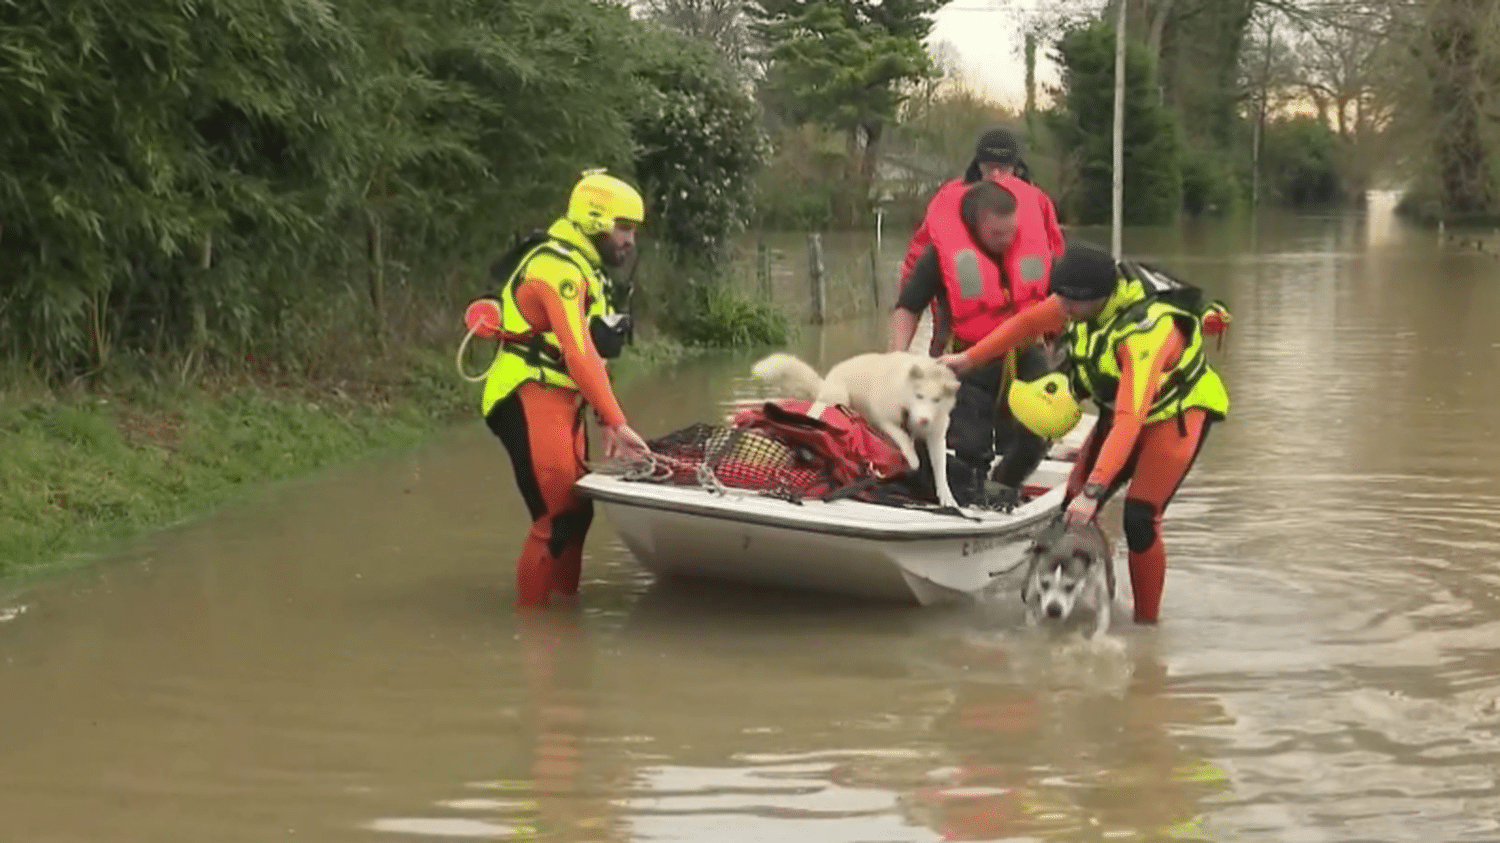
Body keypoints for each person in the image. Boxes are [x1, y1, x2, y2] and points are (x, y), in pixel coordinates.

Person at [940, 240, 1230, 624]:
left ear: (1098, 297)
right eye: (1058, 298)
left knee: (1140, 518)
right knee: (1070, 510)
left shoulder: (1146, 333)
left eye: (1070, 303)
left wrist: (1095, 492)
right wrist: (967, 360)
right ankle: (1070, 596)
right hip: (1124, 412)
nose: (1062, 309)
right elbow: (1025, 325)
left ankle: (1147, 626)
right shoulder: (1074, 302)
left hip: (1175, 417)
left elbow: (1130, 419)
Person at [463, 169, 652, 609]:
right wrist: (617, 421)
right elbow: (577, 352)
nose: (629, 241)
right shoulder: (555, 269)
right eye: (623, 227)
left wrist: (603, 414)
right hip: (527, 393)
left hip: (563, 400)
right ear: (593, 219)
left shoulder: (586, 268)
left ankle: (566, 620)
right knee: (555, 519)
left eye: (633, 231)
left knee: (578, 514)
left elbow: (595, 357)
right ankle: (538, 645)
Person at [887, 179, 1060, 501]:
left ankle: (1009, 487)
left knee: (1036, 433)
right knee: (968, 447)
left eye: (1011, 232)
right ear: (974, 226)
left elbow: (1067, 302)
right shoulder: (940, 255)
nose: (1007, 241)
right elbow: (907, 307)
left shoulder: (1034, 247)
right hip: (968, 363)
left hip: (1027, 355)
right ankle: (969, 494)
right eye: (997, 235)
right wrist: (897, 357)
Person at [896, 127, 1064, 357]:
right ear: (977, 166)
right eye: (988, 167)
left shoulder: (1036, 201)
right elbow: (917, 257)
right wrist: (911, 299)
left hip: (1025, 336)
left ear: (1016, 168)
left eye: (1002, 168)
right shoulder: (949, 202)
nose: (995, 174)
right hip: (959, 324)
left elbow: (1056, 254)